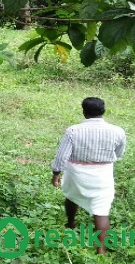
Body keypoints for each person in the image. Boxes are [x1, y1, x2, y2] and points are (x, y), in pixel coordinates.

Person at [50, 97, 126, 254]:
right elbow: (119, 153)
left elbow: (61, 155)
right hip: (102, 174)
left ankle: (71, 222)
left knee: (72, 196)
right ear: (103, 111)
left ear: (84, 112)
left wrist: (56, 173)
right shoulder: (117, 131)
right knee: (101, 210)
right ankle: (101, 250)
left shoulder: (73, 131)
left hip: (76, 173)